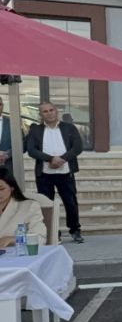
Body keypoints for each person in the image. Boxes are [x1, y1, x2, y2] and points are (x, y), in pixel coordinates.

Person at [25, 102, 84, 243]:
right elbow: (31, 150)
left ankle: (75, 230)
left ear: (56, 111)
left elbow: (77, 147)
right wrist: (50, 159)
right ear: (40, 114)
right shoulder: (35, 130)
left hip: (66, 172)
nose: (49, 113)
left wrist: (62, 160)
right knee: (46, 204)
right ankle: (53, 233)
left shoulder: (69, 128)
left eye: (51, 110)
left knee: (70, 202)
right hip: (44, 174)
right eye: (45, 111)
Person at [0, 167, 46, 247]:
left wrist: (13, 239)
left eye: (1, 189)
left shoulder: (29, 207)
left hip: (16, 253)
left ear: (12, 188)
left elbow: (40, 238)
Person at [0, 97, 12, 169]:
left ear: (3, 106)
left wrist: (7, 154)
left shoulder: (12, 123)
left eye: (0, 104)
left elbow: (21, 144)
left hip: (7, 167)